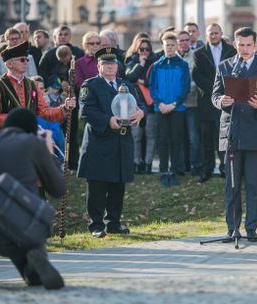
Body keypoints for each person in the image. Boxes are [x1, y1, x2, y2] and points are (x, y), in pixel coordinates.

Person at [0, 108, 65, 289]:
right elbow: (58, 190)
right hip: (17, 232)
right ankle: (33, 262)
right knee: (26, 215)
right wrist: (47, 151)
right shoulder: (33, 144)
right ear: (31, 130)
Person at [212, 27, 257, 241]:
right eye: (241, 45)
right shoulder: (224, 66)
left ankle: (251, 228)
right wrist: (221, 101)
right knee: (231, 186)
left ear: (255, 44)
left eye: (249, 45)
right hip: (231, 132)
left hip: (255, 132)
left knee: (253, 185)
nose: (245, 49)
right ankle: (233, 228)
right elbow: (215, 95)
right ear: (235, 44)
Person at [77, 47, 145, 238]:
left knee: (118, 184)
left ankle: (114, 223)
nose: (110, 67)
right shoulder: (90, 85)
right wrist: (108, 121)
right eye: (105, 64)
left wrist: (141, 112)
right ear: (98, 66)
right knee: (98, 186)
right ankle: (96, 225)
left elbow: (138, 104)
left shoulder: (126, 84)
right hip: (100, 142)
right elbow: (86, 111)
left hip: (122, 142)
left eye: (113, 63)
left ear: (117, 66)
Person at [0, 41, 75, 130]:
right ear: (9, 64)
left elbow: (44, 112)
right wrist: (14, 120)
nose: (26, 62)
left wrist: (65, 107)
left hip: (29, 136)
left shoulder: (32, 85)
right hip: (7, 137)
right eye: (22, 60)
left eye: (26, 59)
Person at [192, 23, 236, 183]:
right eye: (211, 33)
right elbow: (197, 76)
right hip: (206, 102)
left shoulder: (231, 51)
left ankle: (225, 168)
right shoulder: (199, 53)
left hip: (227, 101)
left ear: (221, 33)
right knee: (207, 139)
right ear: (207, 35)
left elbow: (235, 72)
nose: (214, 36)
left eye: (216, 33)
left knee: (224, 138)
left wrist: (225, 91)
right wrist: (217, 90)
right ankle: (207, 169)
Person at [149, 32, 190, 186]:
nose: (170, 48)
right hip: (161, 109)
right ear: (163, 46)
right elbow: (152, 87)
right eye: (167, 45)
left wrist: (174, 104)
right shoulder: (157, 65)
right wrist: (159, 104)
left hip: (177, 109)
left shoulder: (182, 65)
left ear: (176, 46)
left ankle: (173, 170)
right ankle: (163, 170)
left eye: (173, 45)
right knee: (162, 139)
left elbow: (185, 87)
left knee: (176, 139)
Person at [125, 38, 158, 175]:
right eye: (141, 49)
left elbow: (152, 81)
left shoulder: (155, 62)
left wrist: (141, 80)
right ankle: (137, 163)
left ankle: (148, 164)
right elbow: (130, 77)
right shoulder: (132, 61)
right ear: (136, 50)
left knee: (150, 134)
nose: (144, 52)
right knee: (136, 136)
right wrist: (141, 64)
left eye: (147, 49)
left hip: (151, 104)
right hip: (135, 104)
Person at [177, 30, 202, 175]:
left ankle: (195, 167)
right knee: (180, 137)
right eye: (181, 40)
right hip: (177, 105)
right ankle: (181, 167)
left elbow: (196, 80)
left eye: (186, 40)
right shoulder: (172, 58)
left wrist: (184, 91)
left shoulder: (196, 56)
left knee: (194, 138)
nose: (184, 42)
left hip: (192, 103)